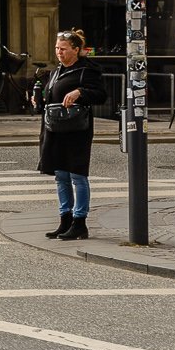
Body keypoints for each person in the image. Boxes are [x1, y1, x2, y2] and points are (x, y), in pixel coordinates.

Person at [36, 29, 107, 240]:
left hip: (77, 130)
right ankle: (65, 220)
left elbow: (101, 95)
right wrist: (38, 100)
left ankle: (79, 222)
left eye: (63, 49)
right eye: (57, 48)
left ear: (76, 50)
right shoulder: (56, 71)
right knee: (61, 176)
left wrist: (80, 92)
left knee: (77, 175)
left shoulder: (87, 71)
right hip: (55, 129)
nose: (59, 52)